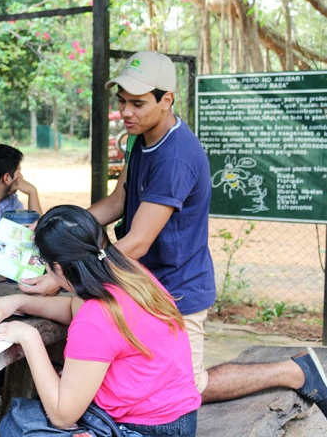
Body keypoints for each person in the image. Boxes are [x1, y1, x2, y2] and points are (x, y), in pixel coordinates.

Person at [21, 51, 327, 414]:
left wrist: (67, 271)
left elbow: (137, 241)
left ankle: (293, 371)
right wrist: (58, 227)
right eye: (122, 102)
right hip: (142, 282)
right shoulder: (139, 138)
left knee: (188, 386)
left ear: (167, 100)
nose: (126, 112)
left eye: (137, 103)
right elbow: (119, 200)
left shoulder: (175, 157)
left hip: (177, 288)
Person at [0, 205, 201, 437]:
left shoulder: (96, 318)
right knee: (27, 412)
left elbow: (62, 416)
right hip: (177, 418)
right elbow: (74, 306)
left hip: (144, 428)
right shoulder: (128, 273)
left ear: (58, 268)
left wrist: (28, 337)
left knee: (16, 424)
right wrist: (18, 302)